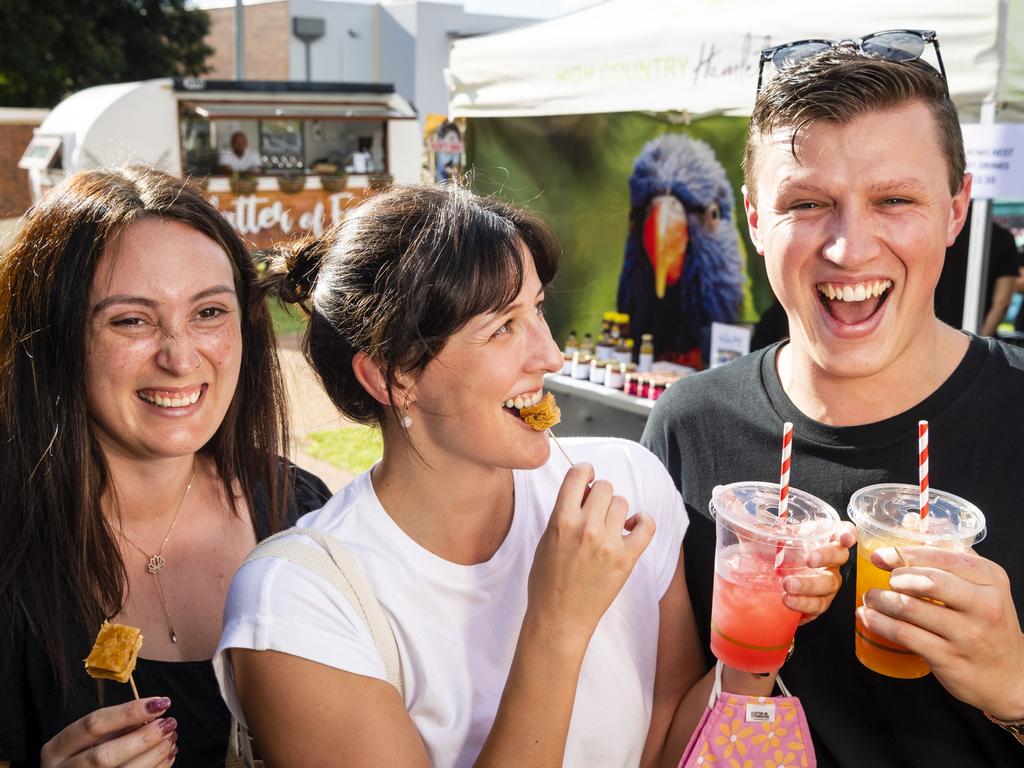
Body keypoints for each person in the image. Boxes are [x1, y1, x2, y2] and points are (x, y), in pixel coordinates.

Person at [213, 184, 854, 767]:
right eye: (502, 329)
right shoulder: (297, 604)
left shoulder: (625, 482)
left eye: (538, 310)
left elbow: (666, 743)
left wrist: (754, 648)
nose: (549, 353)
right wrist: (557, 621)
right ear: (391, 376)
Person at [642, 36, 1024, 767]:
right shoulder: (690, 427)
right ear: (756, 220)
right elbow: (659, 743)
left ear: (955, 209)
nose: (850, 249)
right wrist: (746, 663)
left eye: (895, 199)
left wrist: (1013, 684)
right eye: (808, 203)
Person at [0, 166, 330, 767]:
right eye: (131, 319)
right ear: (52, 338)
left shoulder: (303, 513)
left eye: (209, 312)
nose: (181, 358)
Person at [934, 210, 1019, 336]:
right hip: (972, 338)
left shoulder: (935, 233)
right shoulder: (1002, 238)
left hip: (930, 335)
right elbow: (1002, 302)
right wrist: (980, 343)